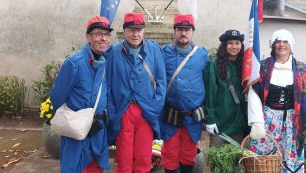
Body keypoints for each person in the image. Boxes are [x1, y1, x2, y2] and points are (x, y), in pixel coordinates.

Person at [248, 29, 306, 173]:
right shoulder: (262, 68)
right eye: (278, 41)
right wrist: (257, 122)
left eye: (285, 41)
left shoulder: (302, 70)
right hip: (268, 120)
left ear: (291, 45)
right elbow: (254, 94)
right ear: (273, 45)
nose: (281, 45)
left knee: (291, 159)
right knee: (265, 162)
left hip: (294, 121)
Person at [50, 16, 113, 173]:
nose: (103, 38)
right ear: (89, 37)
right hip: (76, 131)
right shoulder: (74, 63)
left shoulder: (106, 62)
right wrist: (76, 117)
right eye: (98, 33)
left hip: (98, 130)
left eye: (106, 34)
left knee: (95, 168)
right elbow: (57, 97)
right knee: (74, 168)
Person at [106, 12, 166, 173]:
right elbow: (108, 84)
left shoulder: (154, 50)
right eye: (131, 30)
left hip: (146, 111)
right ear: (124, 31)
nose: (135, 34)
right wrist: (112, 110)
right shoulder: (113, 52)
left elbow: (161, 81)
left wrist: (155, 107)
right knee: (124, 160)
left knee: (143, 159)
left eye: (139, 30)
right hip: (123, 110)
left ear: (143, 31)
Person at [160, 14, 209, 173]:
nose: (183, 33)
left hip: (193, 116)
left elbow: (209, 81)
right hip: (171, 114)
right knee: (170, 156)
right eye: (180, 29)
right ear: (174, 31)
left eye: (187, 30)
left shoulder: (202, 54)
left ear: (192, 32)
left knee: (188, 155)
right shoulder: (163, 53)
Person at [204, 29, 248, 147]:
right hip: (219, 123)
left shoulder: (246, 66)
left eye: (237, 43)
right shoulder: (214, 64)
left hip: (239, 123)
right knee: (217, 160)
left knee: (237, 160)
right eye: (230, 43)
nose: (234, 46)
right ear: (224, 45)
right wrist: (210, 119)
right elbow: (210, 95)